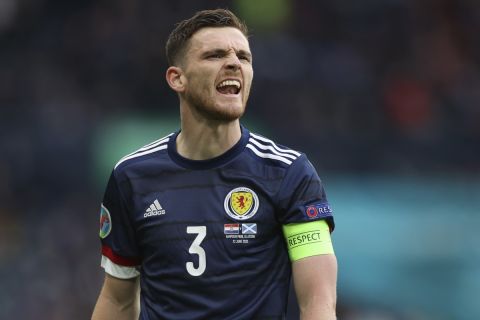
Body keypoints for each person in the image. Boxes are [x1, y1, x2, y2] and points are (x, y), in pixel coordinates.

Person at [92, 8, 337, 320]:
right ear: (176, 78)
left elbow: (318, 303)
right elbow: (118, 301)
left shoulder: (289, 173)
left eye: (244, 57)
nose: (234, 63)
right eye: (215, 55)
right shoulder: (132, 177)